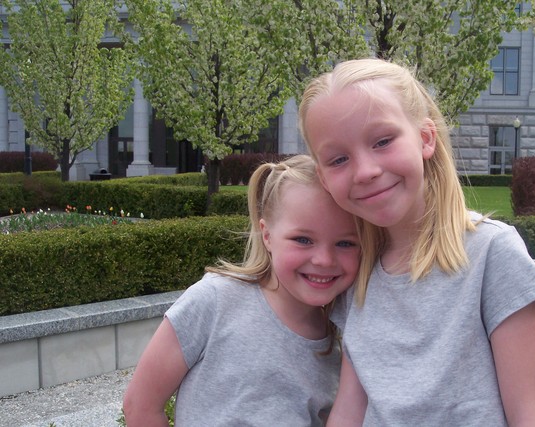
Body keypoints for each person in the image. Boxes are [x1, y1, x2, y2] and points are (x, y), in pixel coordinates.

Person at [298, 58, 535, 426]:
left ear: (426, 138)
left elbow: (532, 417)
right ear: (323, 178)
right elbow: (350, 411)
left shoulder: (491, 255)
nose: (366, 171)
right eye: (339, 159)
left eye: (383, 141)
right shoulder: (357, 275)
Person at [123, 154, 361, 426]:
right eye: (303, 239)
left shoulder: (344, 340)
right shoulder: (215, 300)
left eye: (345, 243)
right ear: (267, 235)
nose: (324, 260)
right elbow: (140, 405)